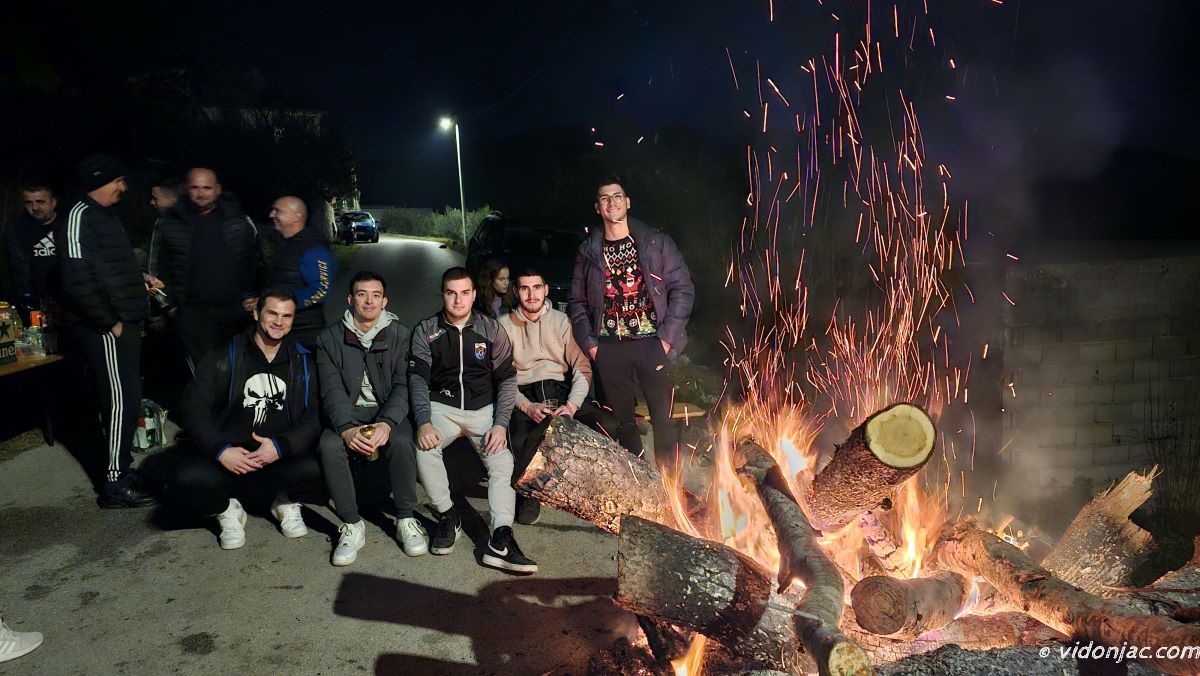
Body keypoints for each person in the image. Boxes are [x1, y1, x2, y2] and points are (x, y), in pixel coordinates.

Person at [171, 288, 323, 550]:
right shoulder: (223, 355)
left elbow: (315, 415)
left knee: (322, 467)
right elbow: (193, 410)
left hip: (278, 457)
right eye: (272, 313)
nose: (279, 322)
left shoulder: (303, 361)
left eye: (286, 316)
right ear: (256, 313)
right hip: (229, 457)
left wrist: (282, 446)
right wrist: (220, 450)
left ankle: (285, 502)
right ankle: (227, 509)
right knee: (185, 479)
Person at [409, 267, 537, 573]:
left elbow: (507, 379)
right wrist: (424, 421)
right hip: (442, 408)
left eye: (465, 293)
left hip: (483, 411)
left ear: (474, 294)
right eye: (451, 293)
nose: (458, 300)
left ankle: (501, 537)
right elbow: (417, 379)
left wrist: (500, 424)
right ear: (443, 294)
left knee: (502, 462)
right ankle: (448, 514)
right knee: (424, 447)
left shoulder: (491, 329)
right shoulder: (426, 330)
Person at [57, 154, 164, 507]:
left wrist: (139, 278)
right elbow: (77, 279)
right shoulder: (78, 215)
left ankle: (122, 469)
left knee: (129, 398)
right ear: (98, 180)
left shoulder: (105, 215)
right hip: (106, 327)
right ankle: (115, 484)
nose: (124, 187)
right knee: (119, 401)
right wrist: (109, 323)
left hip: (124, 322)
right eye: (118, 180)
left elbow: (109, 268)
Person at [568, 177, 695, 473]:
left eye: (617, 196)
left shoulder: (656, 242)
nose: (612, 202)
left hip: (652, 343)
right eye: (605, 198)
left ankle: (670, 485)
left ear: (628, 202)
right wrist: (592, 346)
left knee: (663, 420)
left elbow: (683, 289)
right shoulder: (588, 251)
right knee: (624, 423)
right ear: (597, 207)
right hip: (609, 347)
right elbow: (577, 302)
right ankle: (639, 481)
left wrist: (666, 339)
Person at [315, 271, 426, 565]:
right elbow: (331, 389)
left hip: (386, 409)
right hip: (349, 412)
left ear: (384, 301)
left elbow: (403, 384)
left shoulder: (400, 334)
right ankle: (352, 524)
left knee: (402, 441)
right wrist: (346, 429)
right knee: (329, 445)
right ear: (350, 299)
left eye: (376, 295)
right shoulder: (329, 338)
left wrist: (387, 423)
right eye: (362, 294)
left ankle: (405, 518)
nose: (369, 301)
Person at [498, 267, 618, 525]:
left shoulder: (562, 322)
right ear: (516, 292)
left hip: (560, 388)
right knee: (519, 439)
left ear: (546, 290)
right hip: (525, 392)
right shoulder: (503, 326)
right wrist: (526, 406)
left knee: (606, 425)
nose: (531, 294)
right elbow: (501, 378)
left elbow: (582, 368)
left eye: (536, 287)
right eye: (525, 288)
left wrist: (572, 405)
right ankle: (530, 493)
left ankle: (593, 486)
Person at [151, 168, 262, 370]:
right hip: (192, 314)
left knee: (237, 369)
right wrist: (169, 307)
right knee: (205, 374)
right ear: (185, 189)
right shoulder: (169, 222)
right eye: (195, 187)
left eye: (207, 188)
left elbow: (257, 261)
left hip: (235, 311)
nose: (201, 193)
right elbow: (156, 266)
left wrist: (254, 297)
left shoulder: (238, 219)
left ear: (218, 189)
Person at [268, 196, 335, 350]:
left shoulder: (313, 248)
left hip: (304, 331)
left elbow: (320, 291)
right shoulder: (285, 244)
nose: (271, 214)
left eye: (278, 211)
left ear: (296, 217)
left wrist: (281, 304)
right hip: (283, 326)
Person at [4, 184, 60, 316]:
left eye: (40, 202)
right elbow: (10, 272)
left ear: (53, 202)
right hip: (32, 305)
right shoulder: (15, 231)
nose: (34, 208)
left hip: (68, 302)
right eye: (29, 203)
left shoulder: (70, 226)